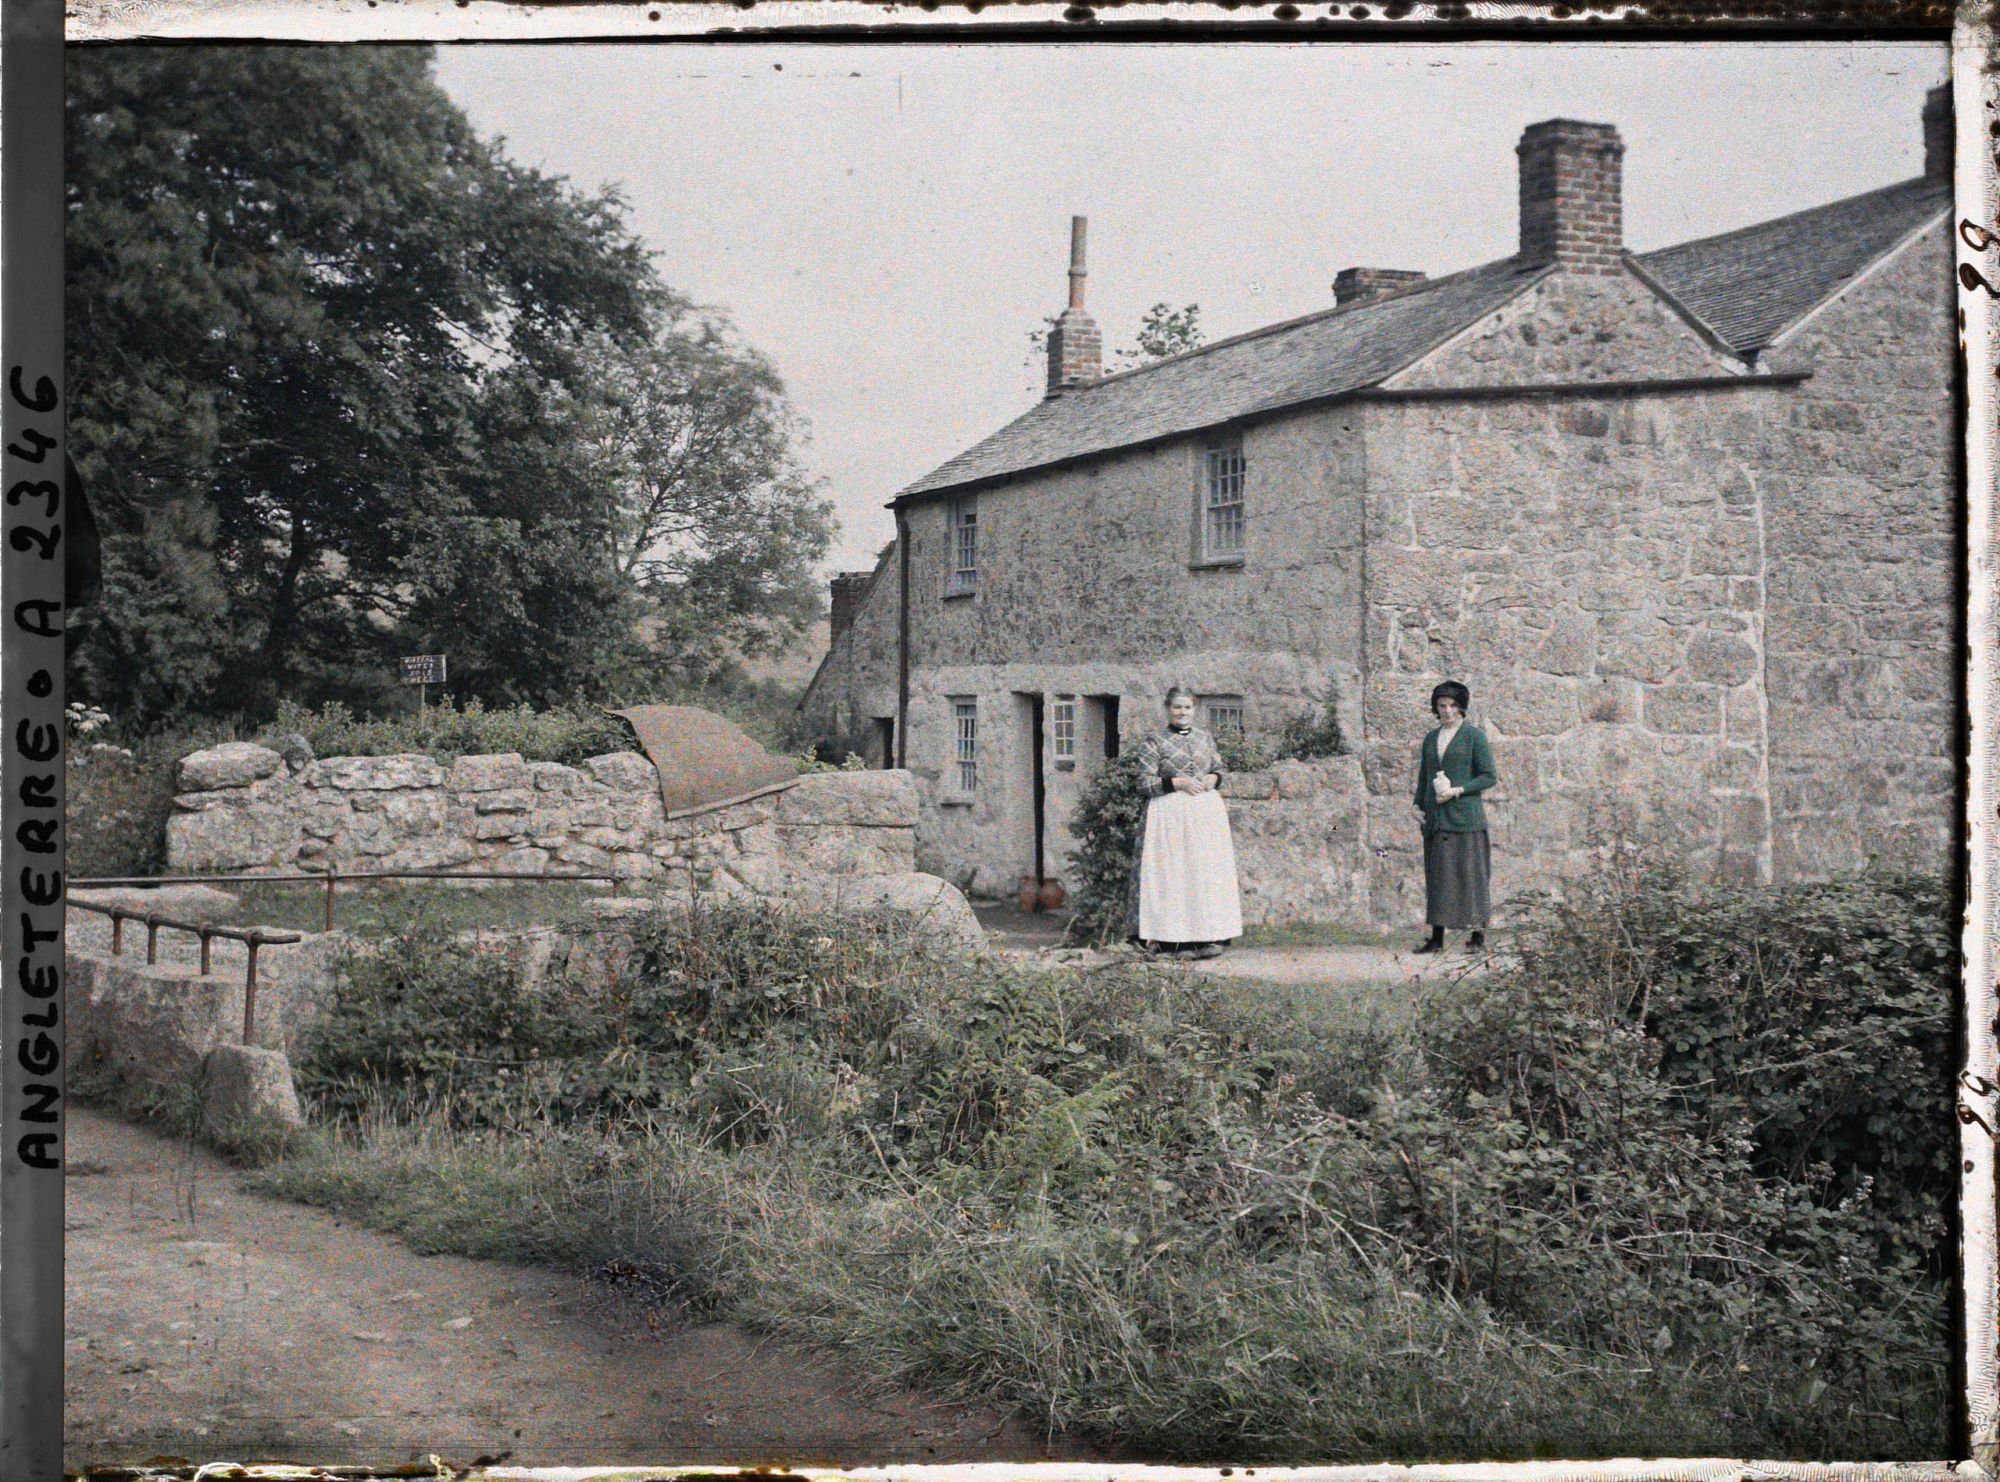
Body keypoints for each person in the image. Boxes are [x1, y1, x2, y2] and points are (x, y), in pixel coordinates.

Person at [1131, 686, 1243, 959]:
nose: (1183, 713)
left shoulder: (1205, 738)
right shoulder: (1154, 741)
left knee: (1204, 874)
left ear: (1195, 709)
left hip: (1204, 816)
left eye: (1188, 707)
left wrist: (1213, 779)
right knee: (1173, 875)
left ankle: (1210, 938)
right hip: (1168, 817)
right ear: (1168, 709)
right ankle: (1174, 942)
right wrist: (1177, 783)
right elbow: (1143, 783)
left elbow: (1219, 768)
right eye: (1177, 707)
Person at [1411, 680, 1496, 954]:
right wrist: (1417, 806)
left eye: (1452, 706)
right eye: (1441, 706)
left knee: (1470, 875)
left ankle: (1477, 937)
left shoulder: (1474, 737)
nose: (1447, 711)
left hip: (1465, 818)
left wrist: (1458, 791)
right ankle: (1437, 938)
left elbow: (1488, 777)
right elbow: (1425, 777)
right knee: (1438, 877)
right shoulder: (1431, 739)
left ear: (1461, 708)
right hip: (1437, 819)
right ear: (1435, 709)